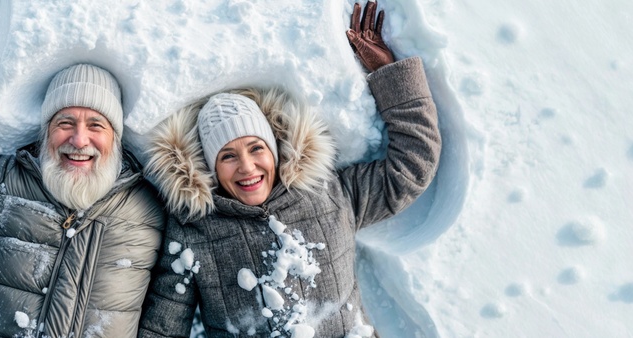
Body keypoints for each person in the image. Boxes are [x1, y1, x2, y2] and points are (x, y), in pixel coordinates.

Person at [137, 1, 440, 337]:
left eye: (256, 148)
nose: (247, 167)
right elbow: (162, 329)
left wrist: (389, 74)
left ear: (275, 150)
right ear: (210, 168)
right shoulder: (194, 232)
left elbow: (412, 166)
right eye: (227, 156)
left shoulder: (329, 195)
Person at [0, 0, 166, 336]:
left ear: (117, 139)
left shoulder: (149, 212)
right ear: (45, 132)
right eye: (65, 122)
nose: (80, 140)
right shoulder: (2, 182)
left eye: (96, 125)